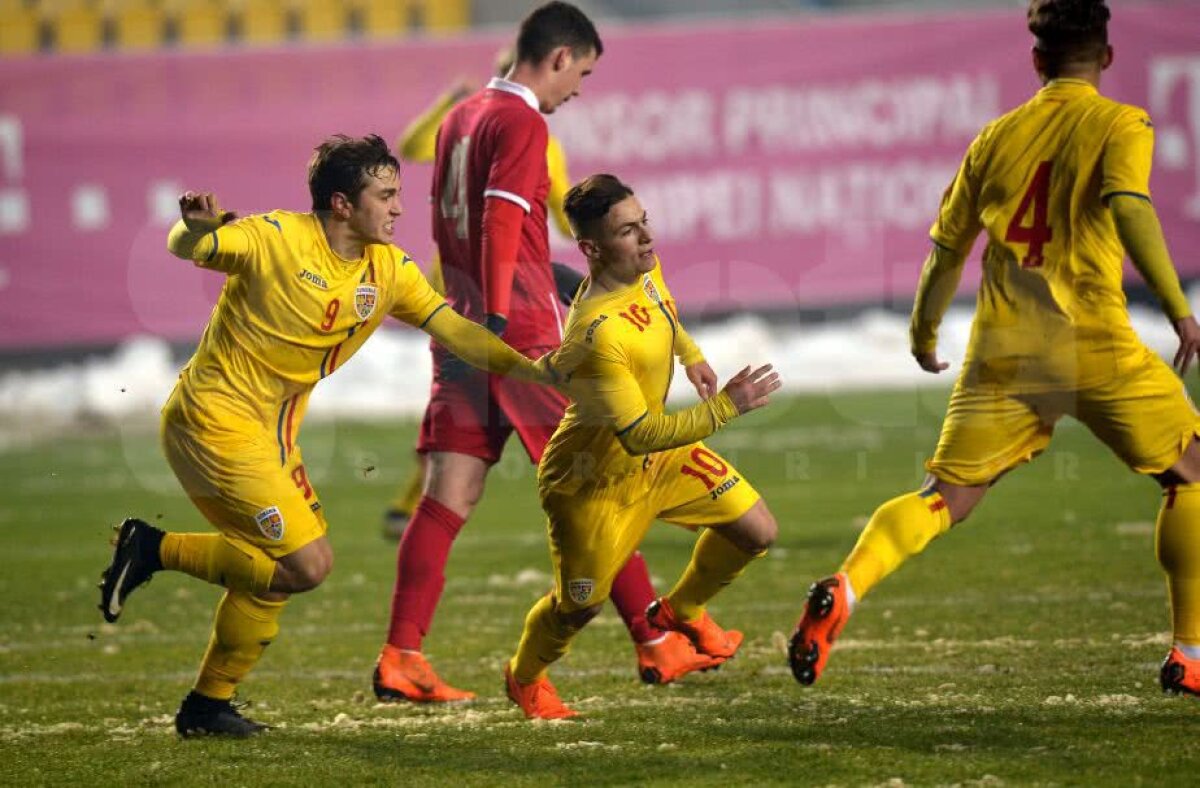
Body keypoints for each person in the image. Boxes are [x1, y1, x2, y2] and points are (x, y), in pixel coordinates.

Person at [788, 0, 1200, 697]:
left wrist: (922, 332)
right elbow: (1130, 204)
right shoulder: (1121, 123)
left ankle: (847, 585)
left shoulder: (994, 138)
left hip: (1002, 350)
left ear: (1036, 60)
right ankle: (1190, 653)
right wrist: (1178, 306)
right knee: (1188, 475)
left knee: (944, 495)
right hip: (1092, 341)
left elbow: (947, 251)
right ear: (1106, 56)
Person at [97, 134, 556, 737]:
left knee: (272, 579)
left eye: (398, 194)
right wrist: (194, 229)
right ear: (342, 204)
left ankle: (205, 707)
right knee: (306, 565)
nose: (398, 208)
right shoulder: (276, 239)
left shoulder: (388, 269)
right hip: (211, 423)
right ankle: (152, 548)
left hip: (270, 438)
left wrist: (533, 368)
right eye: (385, 195)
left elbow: (456, 331)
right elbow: (190, 245)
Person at [374, 2, 719, 705]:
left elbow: (471, 225)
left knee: (448, 494)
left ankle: (401, 654)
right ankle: (656, 642)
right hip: (520, 333)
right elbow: (503, 217)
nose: (579, 90)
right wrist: (507, 313)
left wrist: (485, 313)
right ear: (558, 57)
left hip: (458, 329)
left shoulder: (458, 118)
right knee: (604, 482)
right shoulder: (523, 120)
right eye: (582, 73)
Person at [502, 174, 781, 719]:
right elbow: (639, 434)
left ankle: (681, 610)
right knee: (578, 607)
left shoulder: (643, 271)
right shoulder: (599, 332)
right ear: (591, 249)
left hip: (658, 460)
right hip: (591, 482)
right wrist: (727, 406)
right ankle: (525, 676)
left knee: (757, 530)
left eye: (643, 222)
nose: (647, 238)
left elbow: (664, 311)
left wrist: (691, 354)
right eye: (628, 231)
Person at [381, 44, 582, 540]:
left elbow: (411, 147)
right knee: (540, 414)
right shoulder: (528, 137)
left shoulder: (462, 128)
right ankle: (598, 525)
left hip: (456, 293)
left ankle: (412, 506)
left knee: (458, 408)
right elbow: (557, 214)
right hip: (500, 299)